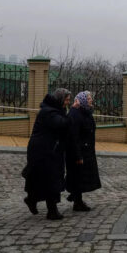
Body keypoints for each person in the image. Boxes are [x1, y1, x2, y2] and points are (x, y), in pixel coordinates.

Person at [23, 88, 79, 220]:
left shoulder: (54, 110)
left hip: (51, 150)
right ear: (60, 99)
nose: (68, 102)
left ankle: (33, 200)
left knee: (47, 179)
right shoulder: (49, 112)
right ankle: (51, 210)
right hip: (43, 151)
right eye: (66, 99)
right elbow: (62, 124)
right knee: (49, 179)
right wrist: (72, 112)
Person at [65, 91, 101, 211]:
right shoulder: (75, 114)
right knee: (78, 176)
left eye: (91, 98)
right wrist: (78, 155)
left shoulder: (86, 112)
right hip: (79, 151)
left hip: (87, 150)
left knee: (82, 176)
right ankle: (77, 201)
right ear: (83, 100)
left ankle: (76, 197)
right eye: (89, 98)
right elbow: (74, 137)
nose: (91, 100)